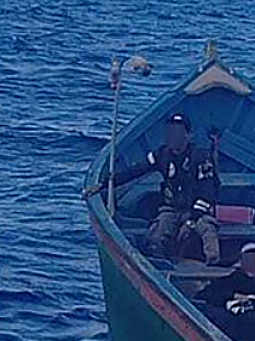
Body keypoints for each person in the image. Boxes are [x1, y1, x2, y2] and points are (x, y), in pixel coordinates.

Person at [88, 113, 220, 263]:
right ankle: (161, 265)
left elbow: (209, 190)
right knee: (154, 238)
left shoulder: (200, 157)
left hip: (197, 211)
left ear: (188, 135)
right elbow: (136, 170)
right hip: (171, 209)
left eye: (178, 131)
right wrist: (105, 184)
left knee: (208, 231)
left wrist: (193, 219)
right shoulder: (161, 155)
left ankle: (212, 265)